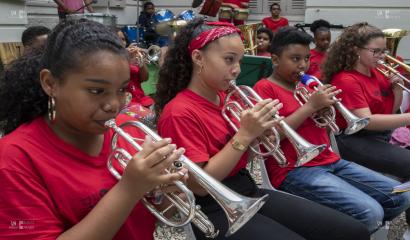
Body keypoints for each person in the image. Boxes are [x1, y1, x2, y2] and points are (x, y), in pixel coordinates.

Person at [154, 19, 370, 240]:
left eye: (239, 60)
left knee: (353, 231)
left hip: (247, 190)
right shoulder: (179, 112)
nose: (237, 69)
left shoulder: (224, 98)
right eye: (229, 60)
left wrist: (258, 138)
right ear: (198, 57)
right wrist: (245, 135)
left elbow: (241, 157)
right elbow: (198, 186)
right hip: (212, 208)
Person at [0, 19, 187, 240]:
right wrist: (129, 189)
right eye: (97, 91)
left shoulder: (129, 131)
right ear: (50, 83)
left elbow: (145, 216)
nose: (114, 105)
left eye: (121, 89)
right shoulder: (13, 158)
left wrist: (169, 191)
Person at [252, 26, 410, 233]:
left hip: (330, 160)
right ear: (275, 60)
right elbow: (270, 138)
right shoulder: (264, 88)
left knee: (402, 197)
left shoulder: (307, 86)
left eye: (307, 58)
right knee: (371, 213)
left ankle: (344, 226)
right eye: (295, 59)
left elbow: (326, 128)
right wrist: (310, 107)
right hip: (295, 170)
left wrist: (325, 113)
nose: (303, 65)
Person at [322, 22, 410, 237]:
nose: (381, 56)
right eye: (375, 51)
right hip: (354, 140)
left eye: (383, 51)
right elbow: (367, 120)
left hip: (378, 136)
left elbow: (390, 108)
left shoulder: (377, 73)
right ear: (355, 50)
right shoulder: (346, 79)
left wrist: (397, 89)